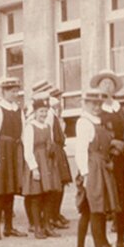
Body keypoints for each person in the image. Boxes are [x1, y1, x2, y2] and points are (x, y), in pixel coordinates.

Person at [73, 89, 122, 247]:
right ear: (85, 103)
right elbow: (80, 150)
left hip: (100, 166)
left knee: (89, 210)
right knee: (95, 210)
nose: (96, 106)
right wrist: (86, 175)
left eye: (99, 103)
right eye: (92, 103)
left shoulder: (98, 121)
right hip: (92, 169)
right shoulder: (84, 122)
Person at [93, 70, 124, 247]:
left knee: (123, 198)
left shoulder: (119, 107)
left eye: (110, 84)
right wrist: (111, 144)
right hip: (106, 158)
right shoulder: (96, 108)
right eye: (104, 83)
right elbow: (96, 134)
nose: (107, 86)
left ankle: (121, 238)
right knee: (106, 199)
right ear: (98, 87)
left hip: (122, 158)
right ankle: (103, 242)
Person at [0, 77, 26, 240]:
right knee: (0, 190)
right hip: (3, 150)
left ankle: (9, 227)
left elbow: (23, 132)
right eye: (11, 91)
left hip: (15, 151)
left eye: (16, 90)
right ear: (3, 92)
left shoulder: (18, 109)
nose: (14, 93)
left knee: (11, 190)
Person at [22, 93, 63, 239]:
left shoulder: (47, 126)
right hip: (36, 163)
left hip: (47, 163)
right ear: (35, 112)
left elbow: (49, 143)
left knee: (48, 195)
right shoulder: (30, 127)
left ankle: (47, 225)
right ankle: (37, 227)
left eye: (45, 111)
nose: (43, 114)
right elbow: (27, 150)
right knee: (36, 196)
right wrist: (34, 168)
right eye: (41, 111)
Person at [47, 86, 73, 230]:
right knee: (57, 184)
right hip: (55, 150)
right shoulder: (50, 114)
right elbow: (50, 134)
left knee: (61, 183)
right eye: (57, 98)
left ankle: (56, 214)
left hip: (59, 149)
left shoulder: (57, 115)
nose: (59, 102)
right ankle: (52, 215)